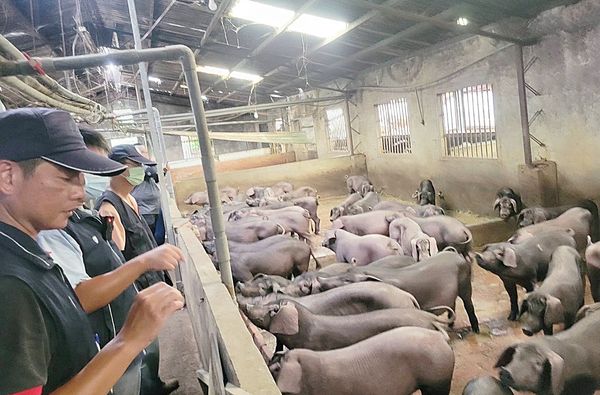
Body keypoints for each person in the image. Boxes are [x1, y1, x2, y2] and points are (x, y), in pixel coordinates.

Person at [0, 107, 184, 395]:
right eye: (67, 176)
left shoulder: (30, 252)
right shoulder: (9, 283)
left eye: (82, 179)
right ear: (8, 177)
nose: (81, 193)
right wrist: (128, 340)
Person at [130, 145, 164, 244]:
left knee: (157, 234)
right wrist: (153, 163)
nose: (146, 154)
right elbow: (152, 172)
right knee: (151, 236)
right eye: (143, 152)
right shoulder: (138, 168)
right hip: (145, 209)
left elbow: (157, 177)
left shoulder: (146, 166)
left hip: (154, 207)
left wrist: (163, 171)